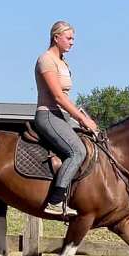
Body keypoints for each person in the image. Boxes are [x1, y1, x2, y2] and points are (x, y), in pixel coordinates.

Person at [34, 21, 99, 216]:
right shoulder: (46, 60)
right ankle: (55, 201)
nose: (72, 42)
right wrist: (81, 119)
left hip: (60, 116)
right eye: (69, 38)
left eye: (73, 39)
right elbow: (58, 97)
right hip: (47, 115)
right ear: (56, 37)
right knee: (77, 151)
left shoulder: (63, 62)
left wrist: (84, 118)